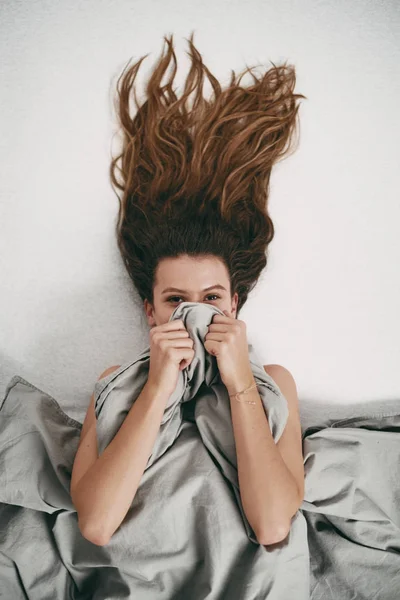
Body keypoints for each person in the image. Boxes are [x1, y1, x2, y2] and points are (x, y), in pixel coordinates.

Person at [70, 32, 307, 548]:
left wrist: (240, 380)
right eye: (176, 301)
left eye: (212, 298)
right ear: (150, 312)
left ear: (235, 303)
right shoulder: (115, 383)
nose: (195, 314)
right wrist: (157, 388)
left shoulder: (276, 383)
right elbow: (95, 524)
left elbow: (272, 525)